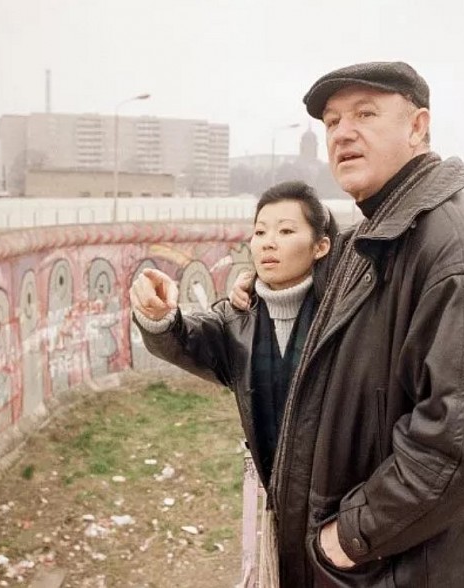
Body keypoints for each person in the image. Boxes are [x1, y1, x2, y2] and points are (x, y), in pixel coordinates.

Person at [242, 62, 464, 587]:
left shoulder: (458, 244)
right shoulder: (373, 240)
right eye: (332, 121)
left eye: (366, 113)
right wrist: (255, 287)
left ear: (417, 127)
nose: (343, 133)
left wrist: (348, 537)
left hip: (416, 570)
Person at [129, 180, 336, 493]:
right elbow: (184, 340)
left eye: (286, 231)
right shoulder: (238, 319)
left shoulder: (345, 312)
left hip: (341, 501)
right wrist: (159, 317)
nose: (268, 242)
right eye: (260, 232)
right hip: (276, 497)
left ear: (321, 246)